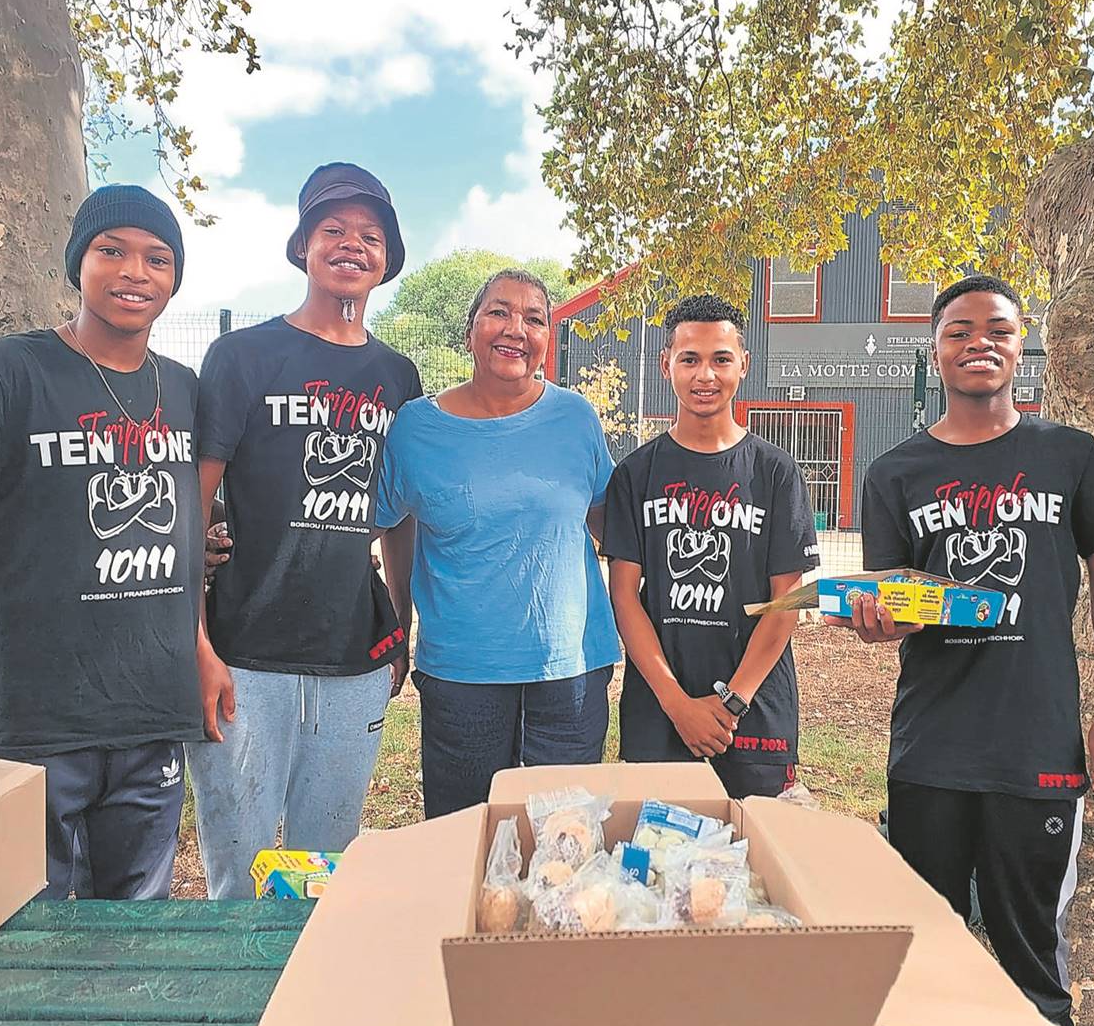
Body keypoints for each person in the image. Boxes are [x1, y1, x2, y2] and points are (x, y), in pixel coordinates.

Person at [833, 275, 1094, 1026]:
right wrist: (880, 621)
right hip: (932, 745)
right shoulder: (896, 471)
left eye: (998, 330)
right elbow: (895, 600)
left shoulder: (1067, 454)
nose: (980, 343)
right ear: (935, 350)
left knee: (1030, 939)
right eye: (960, 331)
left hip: (1037, 743)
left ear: (1020, 346)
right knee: (932, 929)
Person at [0, 185, 204, 900]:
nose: (135, 272)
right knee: (26, 921)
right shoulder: (7, 372)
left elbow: (187, 530)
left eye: (157, 258)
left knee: (135, 925)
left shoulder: (185, 389)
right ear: (77, 263)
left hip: (153, 713)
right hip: (36, 716)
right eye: (111, 250)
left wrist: (200, 648)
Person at [187, 162, 420, 898]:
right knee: (241, 876)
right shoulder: (242, 357)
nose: (353, 245)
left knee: (327, 874)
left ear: (387, 257)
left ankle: (312, 976)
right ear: (302, 247)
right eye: (333, 230)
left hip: (352, 657)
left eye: (370, 236)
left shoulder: (398, 377)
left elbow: (400, 514)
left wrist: (400, 625)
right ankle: (237, 982)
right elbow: (192, 504)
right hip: (244, 655)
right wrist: (196, 643)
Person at [374, 268, 618, 818]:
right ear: (470, 332)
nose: (516, 329)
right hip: (461, 677)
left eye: (535, 319)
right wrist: (397, 618)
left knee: (566, 838)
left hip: (570, 673)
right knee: (466, 834)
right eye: (499, 312)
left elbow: (609, 524)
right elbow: (386, 522)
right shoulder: (416, 427)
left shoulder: (576, 418)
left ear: (547, 340)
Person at [603, 295, 819, 797]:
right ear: (666, 365)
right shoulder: (635, 474)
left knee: (754, 843)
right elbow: (624, 597)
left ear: (744, 364)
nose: (705, 375)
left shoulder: (775, 472)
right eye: (690, 359)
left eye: (721, 359)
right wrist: (677, 704)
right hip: (659, 711)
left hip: (755, 713)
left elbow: (787, 601)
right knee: (657, 843)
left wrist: (733, 702)